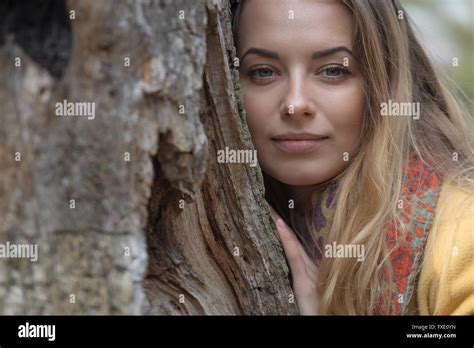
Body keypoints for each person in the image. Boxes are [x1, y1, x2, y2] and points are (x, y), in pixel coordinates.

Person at [232, 0, 474, 315]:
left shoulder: (461, 235)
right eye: (263, 71)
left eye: (333, 70)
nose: (295, 104)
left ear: (383, 84)